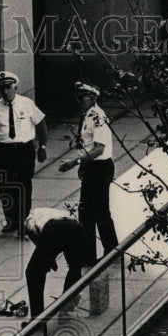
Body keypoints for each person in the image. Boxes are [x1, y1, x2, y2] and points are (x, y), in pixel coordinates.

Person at [0, 71, 48, 236]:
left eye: (9, 87)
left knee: (24, 185)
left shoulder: (27, 104)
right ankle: (11, 220)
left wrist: (42, 147)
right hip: (3, 151)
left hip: (24, 150)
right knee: (5, 187)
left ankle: (24, 222)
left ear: (15, 87)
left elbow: (41, 125)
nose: (5, 91)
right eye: (2, 88)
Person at [59, 82, 118, 261]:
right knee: (96, 211)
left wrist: (75, 162)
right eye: (78, 99)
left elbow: (98, 149)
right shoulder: (87, 115)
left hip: (100, 168)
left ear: (93, 99)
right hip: (92, 167)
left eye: (83, 98)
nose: (80, 102)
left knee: (89, 212)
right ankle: (109, 249)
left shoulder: (97, 118)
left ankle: (92, 254)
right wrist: (83, 165)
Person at [24, 207, 94, 318]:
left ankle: (37, 319)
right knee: (75, 269)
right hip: (78, 230)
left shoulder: (33, 214)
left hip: (54, 229)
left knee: (33, 272)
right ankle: (66, 310)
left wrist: (48, 257)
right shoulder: (61, 212)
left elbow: (30, 229)